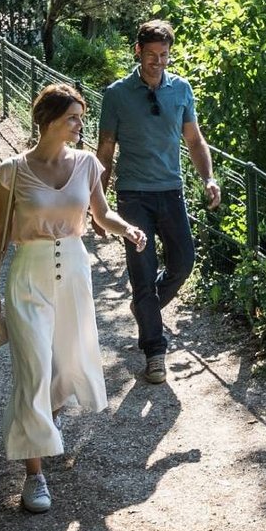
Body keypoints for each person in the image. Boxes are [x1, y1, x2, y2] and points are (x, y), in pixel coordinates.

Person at [0, 84, 146, 514]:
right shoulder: (12, 170)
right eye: (73, 116)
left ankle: (42, 418)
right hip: (27, 275)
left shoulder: (89, 164)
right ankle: (34, 474)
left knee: (66, 366)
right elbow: (0, 233)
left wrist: (126, 228)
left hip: (73, 270)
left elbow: (101, 213)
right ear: (49, 120)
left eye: (81, 116)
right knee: (33, 369)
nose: (80, 124)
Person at [96, 19, 221, 386]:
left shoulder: (181, 89)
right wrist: (98, 205)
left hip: (171, 191)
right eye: (151, 55)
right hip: (133, 196)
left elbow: (195, 142)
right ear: (138, 51)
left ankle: (144, 307)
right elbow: (105, 151)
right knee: (142, 273)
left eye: (163, 55)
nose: (157, 62)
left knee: (184, 262)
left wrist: (208, 178)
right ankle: (154, 350)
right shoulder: (117, 94)